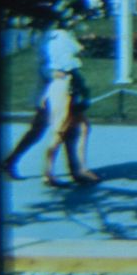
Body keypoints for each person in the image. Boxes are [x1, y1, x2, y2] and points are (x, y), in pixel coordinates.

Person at [2, 28, 82, 179]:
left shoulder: (64, 34)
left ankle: (74, 170)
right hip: (49, 92)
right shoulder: (48, 36)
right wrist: (52, 74)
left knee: (66, 130)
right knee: (41, 131)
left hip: (64, 89)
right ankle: (10, 162)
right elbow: (43, 64)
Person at [40, 46, 98, 187]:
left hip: (71, 84)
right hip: (64, 86)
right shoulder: (57, 36)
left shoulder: (66, 36)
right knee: (60, 132)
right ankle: (48, 173)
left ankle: (81, 168)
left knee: (84, 127)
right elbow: (48, 65)